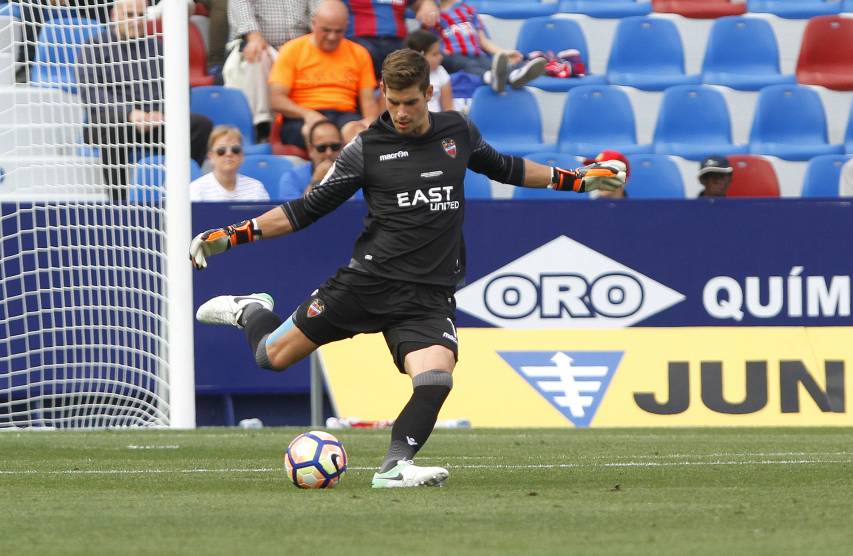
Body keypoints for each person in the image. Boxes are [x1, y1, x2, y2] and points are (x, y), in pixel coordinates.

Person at [189, 49, 625, 488]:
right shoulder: (366, 148)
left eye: (410, 102)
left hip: (428, 294)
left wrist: (576, 179)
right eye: (393, 101)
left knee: (436, 377)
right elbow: (307, 208)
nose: (400, 112)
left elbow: (507, 168)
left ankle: (394, 467)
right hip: (368, 283)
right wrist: (236, 233)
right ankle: (250, 309)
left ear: (429, 93)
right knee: (271, 357)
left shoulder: (457, 132)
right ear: (382, 91)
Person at [77, 0, 213, 201]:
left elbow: (182, 89)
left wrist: (163, 113)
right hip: (117, 121)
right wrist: (130, 113)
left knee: (200, 126)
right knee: (111, 125)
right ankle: (118, 200)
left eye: (140, 15)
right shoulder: (94, 47)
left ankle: (185, 191)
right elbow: (92, 93)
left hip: (157, 121)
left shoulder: (158, 48)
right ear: (115, 16)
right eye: (130, 15)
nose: (136, 21)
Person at [268, 0, 379, 150]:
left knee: (357, 134)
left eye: (338, 31)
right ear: (313, 24)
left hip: (345, 115)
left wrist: (368, 123)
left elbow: (369, 103)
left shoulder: (359, 53)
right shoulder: (292, 50)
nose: (332, 37)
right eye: (326, 30)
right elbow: (276, 99)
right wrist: (307, 114)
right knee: (321, 135)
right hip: (302, 116)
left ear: (346, 26)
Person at [225, 0, 320, 137]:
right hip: (263, 43)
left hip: (301, 46)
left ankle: (319, 119)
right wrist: (254, 36)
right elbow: (240, 4)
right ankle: (261, 126)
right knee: (258, 55)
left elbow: (319, 12)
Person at [429, 0, 545, 93]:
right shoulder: (432, 15)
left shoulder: (468, 10)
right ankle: (489, 78)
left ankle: (514, 76)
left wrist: (503, 52)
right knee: (469, 65)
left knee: (490, 63)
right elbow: (431, 43)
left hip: (476, 54)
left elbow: (483, 41)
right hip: (453, 56)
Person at [342, 0, 439, 80]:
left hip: (398, 41)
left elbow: (421, 2)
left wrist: (427, 4)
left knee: (421, 58)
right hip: (360, 39)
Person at [190, 125, 271, 202]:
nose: (229, 154)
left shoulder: (256, 188)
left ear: (242, 156)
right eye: (221, 150)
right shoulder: (196, 190)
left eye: (235, 149)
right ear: (211, 157)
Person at [278, 120, 344, 196]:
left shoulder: (352, 175)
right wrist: (315, 182)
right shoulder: (292, 178)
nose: (329, 153)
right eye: (321, 148)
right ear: (310, 150)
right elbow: (292, 204)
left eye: (335, 147)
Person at [406, 30, 453, 112]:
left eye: (440, 53)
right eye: (435, 54)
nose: (441, 57)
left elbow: (448, 108)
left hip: (436, 119)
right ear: (419, 56)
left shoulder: (441, 72)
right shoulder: (404, 75)